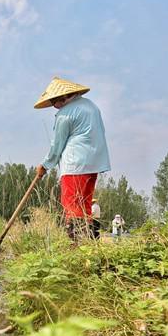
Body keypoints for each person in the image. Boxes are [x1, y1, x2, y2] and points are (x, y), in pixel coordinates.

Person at [35, 77, 111, 242]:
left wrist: (45, 165)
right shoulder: (91, 106)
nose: (55, 106)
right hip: (94, 163)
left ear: (63, 97)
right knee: (85, 207)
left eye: (54, 102)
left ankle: (75, 247)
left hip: (75, 165)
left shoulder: (65, 114)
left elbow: (57, 145)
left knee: (72, 207)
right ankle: (88, 247)